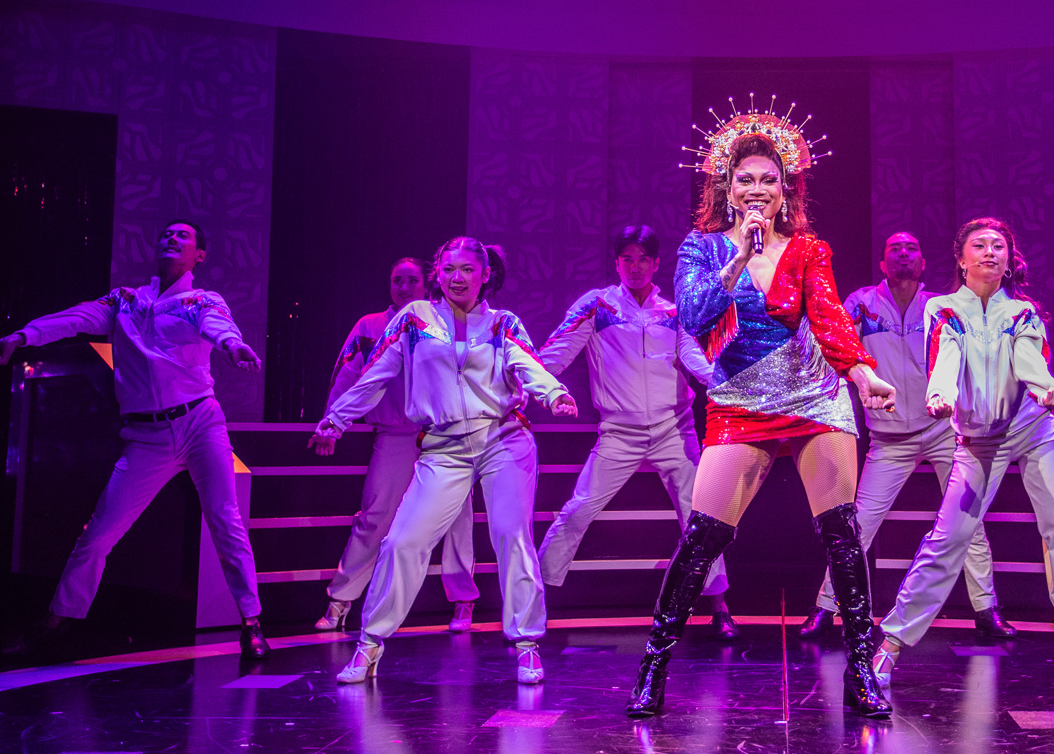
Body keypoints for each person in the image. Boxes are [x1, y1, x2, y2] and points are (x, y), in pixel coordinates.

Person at [625, 115, 897, 721]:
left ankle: (860, 668)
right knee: (702, 538)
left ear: (785, 189)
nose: (756, 189)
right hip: (741, 401)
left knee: (842, 535)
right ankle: (652, 668)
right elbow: (693, 316)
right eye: (744, 179)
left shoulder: (807, 248)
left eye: (767, 180)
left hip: (813, 399)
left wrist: (863, 373)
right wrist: (738, 257)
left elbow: (828, 318)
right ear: (725, 186)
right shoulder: (703, 247)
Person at [0, 221, 271, 659]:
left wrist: (233, 345)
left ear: (200, 256)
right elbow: (75, 319)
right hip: (147, 437)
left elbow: (218, 326)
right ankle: (56, 621)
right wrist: (21, 336)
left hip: (200, 423)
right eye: (167, 234)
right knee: (99, 533)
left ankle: (251, 623)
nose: (172, 239)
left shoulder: (201, 300)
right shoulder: (125, 300)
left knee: (225, 520)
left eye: (183, 237)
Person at [310, 237, 577, 685]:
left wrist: (555, 393)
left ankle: (527, 645)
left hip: (503, 440)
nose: (458, 278)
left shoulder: (502, 324)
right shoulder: (413, 320)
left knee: (511, 535)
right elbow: (375, 373)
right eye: (449, 269)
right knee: (402, 542)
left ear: (484, 274)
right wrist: (335, 419)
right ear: (437, 273)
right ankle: (369, 644)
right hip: (443, 448)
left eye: (468, 270)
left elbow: (527, 364)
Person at [875, 217, 1054, 689]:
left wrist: (1047, 389)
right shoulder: (943, 309)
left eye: (999, 246)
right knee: (947, 540)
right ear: (961, 259)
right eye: (979, 245)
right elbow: (946, 356)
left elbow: (1029, 362)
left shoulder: (1023, 314)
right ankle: (891, 643)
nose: (990, 252)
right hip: (977, 441)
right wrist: (939, 395)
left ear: (1009, 260)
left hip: (1034, 429)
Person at [798, 231, 1016, 642]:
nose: (903, 254)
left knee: (968, 520)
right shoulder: (862, 304)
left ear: (923, 263)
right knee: (857, 524)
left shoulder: (940, 308)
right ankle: (825, 608)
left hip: (944, 432)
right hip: (888, 438)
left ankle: (987, 610)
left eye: (911, 248)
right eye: (894, 249)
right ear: (883, 263)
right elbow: (834, 348)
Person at [535, 225, 736, 637]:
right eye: (627, 258)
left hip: (673, 428)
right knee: (579, 508)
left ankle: (719, 604)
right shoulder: (598, 306)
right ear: (617, 263)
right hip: (619, 432)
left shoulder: (673, 311)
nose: (635, 266)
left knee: (700, 514)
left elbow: (694, 357)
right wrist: (522, 387)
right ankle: (530, 596)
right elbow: (555, 353)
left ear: (656, 263)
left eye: (643, 258)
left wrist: (726, 386)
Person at [314, 258, 480, 635]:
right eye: (396, 280)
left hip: (446, 435)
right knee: (375, 516)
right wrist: (331, 423)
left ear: (426, 284)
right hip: (395, 435)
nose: (404, 287)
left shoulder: (446, 322)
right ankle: (341, 600)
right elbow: (349, 376)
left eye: (411, 280)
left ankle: (462, 602)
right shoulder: (370, 327)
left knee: (457, 519)